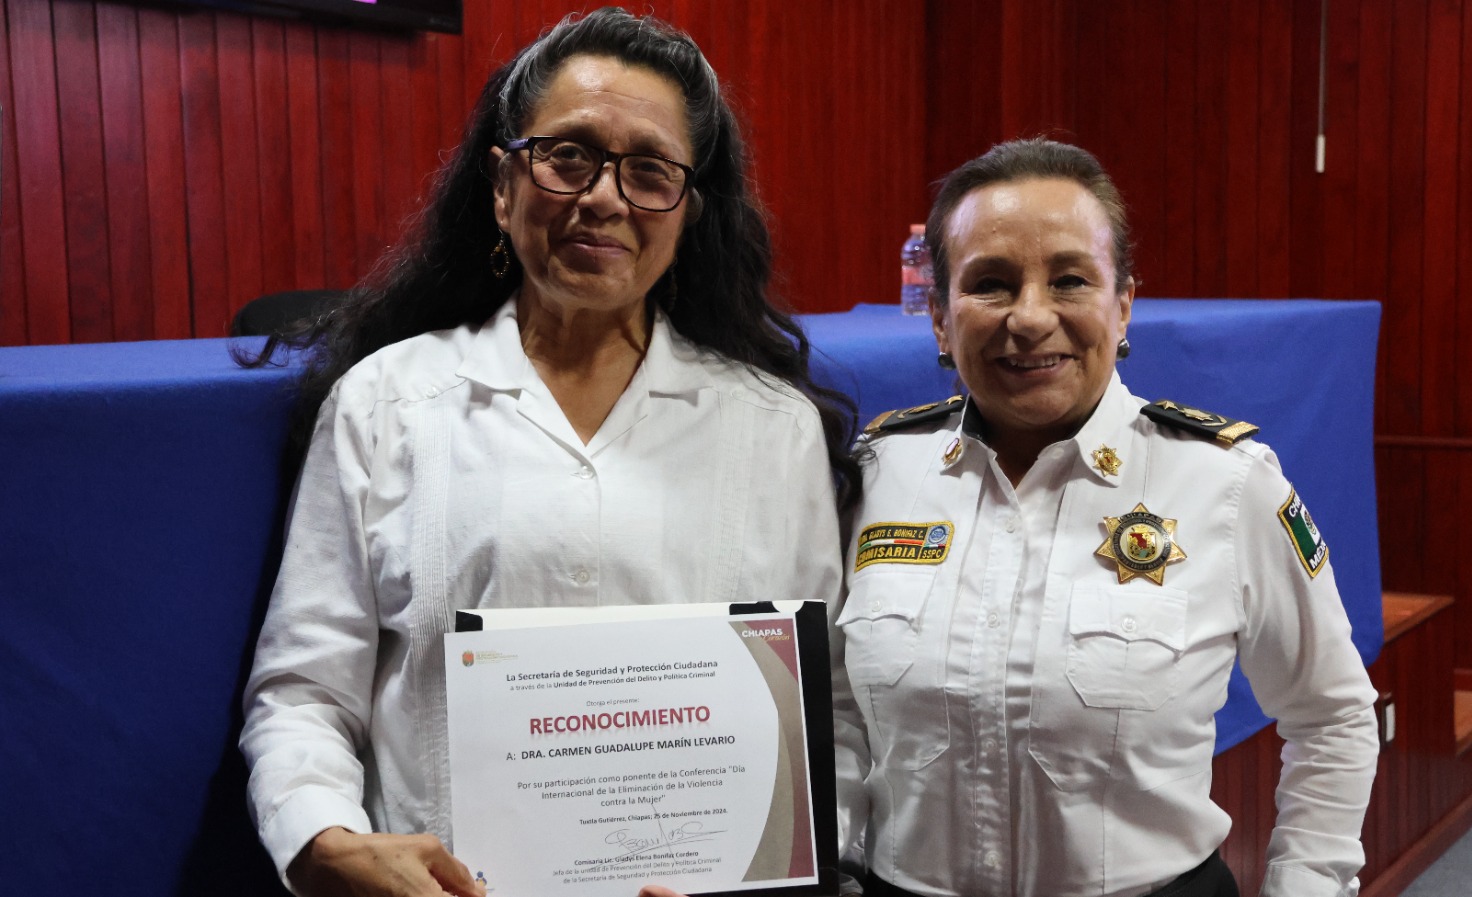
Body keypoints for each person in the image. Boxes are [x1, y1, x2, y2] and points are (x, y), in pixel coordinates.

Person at [239, 9, 855, 896]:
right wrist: (325, 839)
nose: (603, 197)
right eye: (568, 155)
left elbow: (820, 713)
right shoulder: (386, 403)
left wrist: (781, 869)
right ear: (503, 183)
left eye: (649, 171)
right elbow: (303, 692)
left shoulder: (772, 427)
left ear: (686, 212)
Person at [833, 139, 1378, 897]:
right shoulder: (876, 474)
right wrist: (837, 862)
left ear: (1122, 305)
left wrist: (1308, 887)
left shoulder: (1225, 484)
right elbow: (838, 712)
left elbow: (1330, 715)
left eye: (1068, 279)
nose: (1029, 317)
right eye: (990, 283)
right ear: (937, 316)